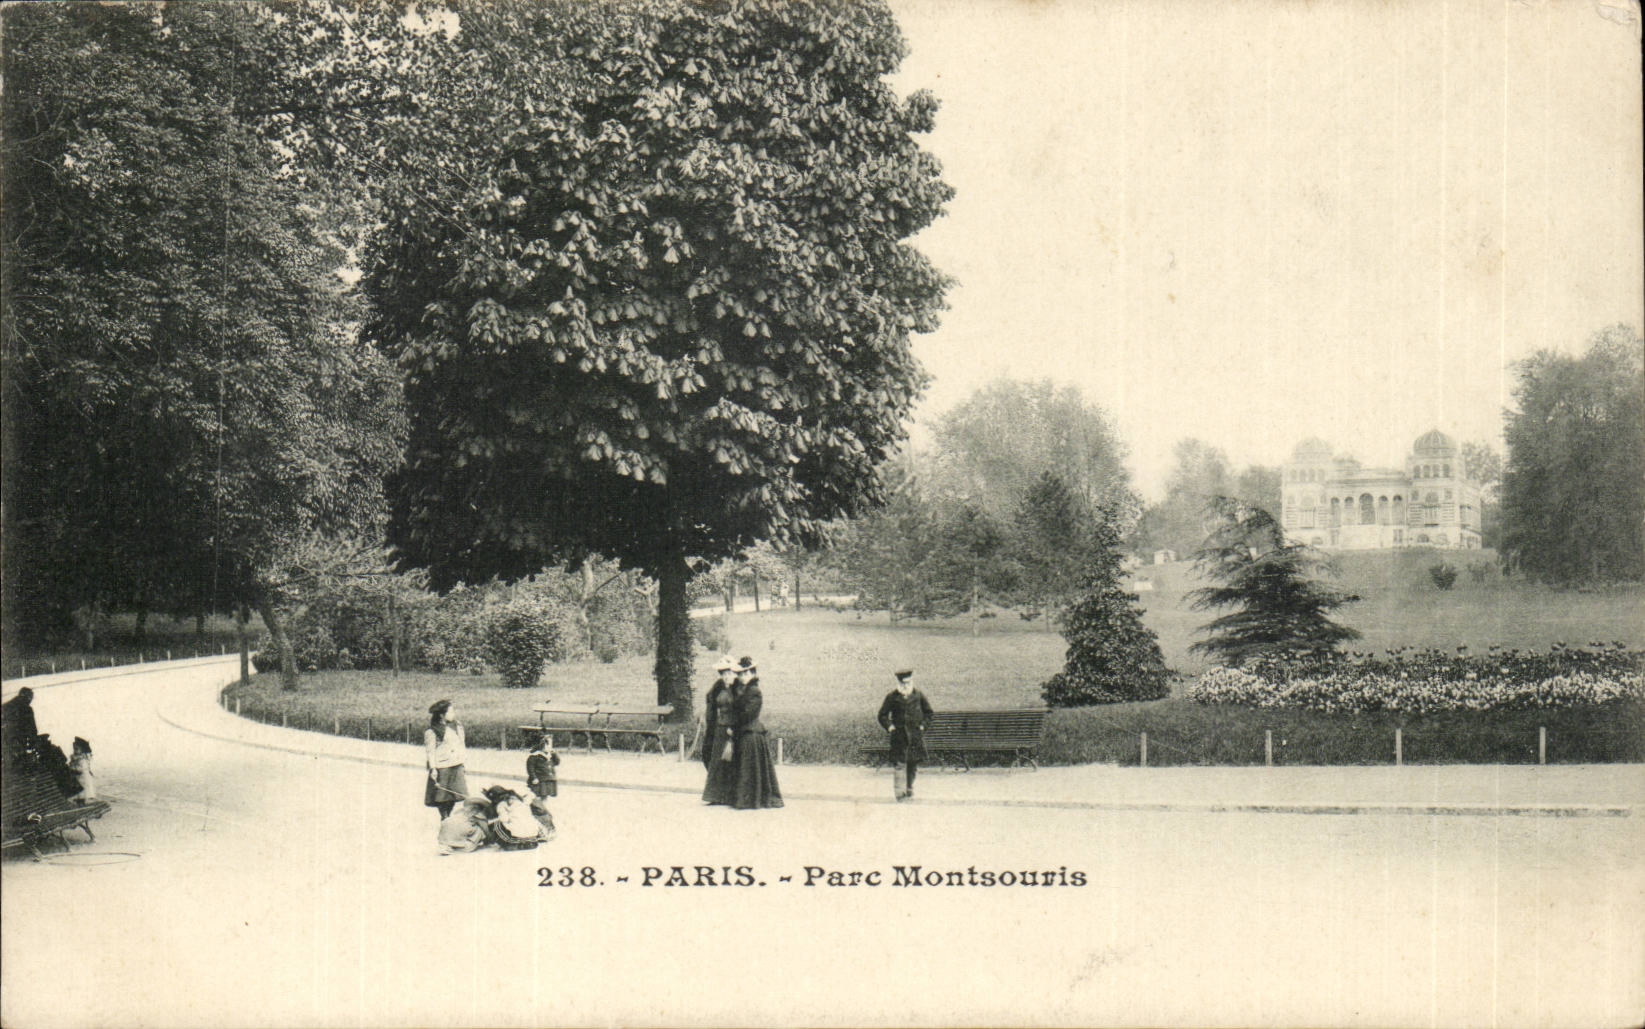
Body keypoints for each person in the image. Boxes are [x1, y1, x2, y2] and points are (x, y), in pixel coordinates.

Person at [729, 657, 783, 810]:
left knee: (750, 768)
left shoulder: (754, 691)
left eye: (745, 674)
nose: (742, 677)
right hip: (744, 732)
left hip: (751, 733)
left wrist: (733, 726)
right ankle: (747, 799)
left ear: (752, 673)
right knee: (747, 768)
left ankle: (750, 800)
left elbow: (748, 714)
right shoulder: (742, 690)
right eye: (740, 674)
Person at [877, 669, 934, 802]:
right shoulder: (892, 697)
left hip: (915, 737)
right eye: (903, 683)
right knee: (899, 764)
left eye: (908, 683)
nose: (906, 685)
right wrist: (890, 727)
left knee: (912, 764)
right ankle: (899, 794)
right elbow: (882, 715)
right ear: (899, 683)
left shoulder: (918, 695)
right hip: (899, 737)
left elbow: (929, 713)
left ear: (911, 681)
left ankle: (909, 788)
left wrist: (923, 726)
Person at [701, 656, 740, 806]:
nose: (726, 676)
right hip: (719, 728)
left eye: (729, 673)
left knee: (731, 761)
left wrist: (734, 727)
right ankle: (716, 795)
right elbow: (711, 702)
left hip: (732, 729)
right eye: (723, 673)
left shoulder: (739, 689)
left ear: (735, 673)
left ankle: (731, 795)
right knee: (715, 761)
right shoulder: (718, 687)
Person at [424, 699, 468, 820]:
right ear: (442, 715)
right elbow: (430, 751)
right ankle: (444, 817)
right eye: (450, 712)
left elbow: (461, 744)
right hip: (442, 767)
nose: (453, 714)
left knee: (453, 795)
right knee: (442, 796)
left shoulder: (458, 726)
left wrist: (463, 762)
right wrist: (433, 769)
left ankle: (448, 815)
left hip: (456, 764)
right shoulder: (432, 731)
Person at [525, 733, 560, 799]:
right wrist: (534, 778)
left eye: (551, 745)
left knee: (545, 797)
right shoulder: (535, 756)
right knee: (537, 797)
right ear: (541, 745)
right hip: (540, 780)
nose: (550, 747)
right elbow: (530, 768)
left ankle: (543, 805)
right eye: (548, 745)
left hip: (549, 779)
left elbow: (557, 762)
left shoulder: (550, 755)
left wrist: (554, 754)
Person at [69, 736, 97, 805]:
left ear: (82, 750)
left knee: (82, 793)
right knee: (78, 792)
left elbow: (81, 769)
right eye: (74, 749)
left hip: (83, 779)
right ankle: (79, 802)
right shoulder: (75, 758)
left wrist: (72, 768)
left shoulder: (83, 759)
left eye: (77, 749)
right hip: (77, 778)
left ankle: (82, 803)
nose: (75, 751)